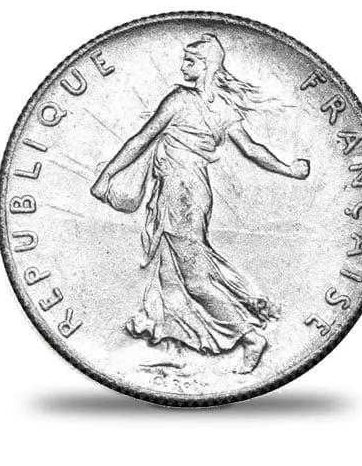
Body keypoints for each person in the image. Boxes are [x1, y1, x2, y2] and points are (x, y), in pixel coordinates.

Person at [91, 34, 310, 373]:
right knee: (170, 276)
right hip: (190, 191)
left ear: (207, 66)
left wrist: (107, 176)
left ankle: (250, 337)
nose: (183, 66)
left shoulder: (180, 100)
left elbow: (141, 139)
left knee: (194, 280)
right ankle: (177, 348)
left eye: (191, 61)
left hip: (181, 194)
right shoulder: (223, 109)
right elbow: (252, 150)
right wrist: (289, 169)